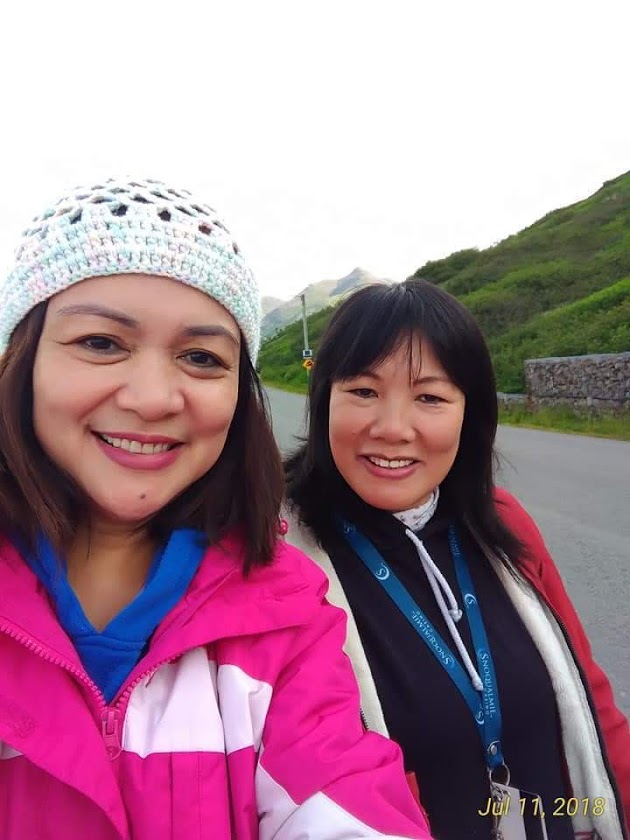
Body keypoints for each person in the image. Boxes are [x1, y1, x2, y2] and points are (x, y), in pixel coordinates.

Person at [0, 179, 434, 840]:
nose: (153, 398)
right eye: (101, 343)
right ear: (22, 361)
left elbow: (343, 797)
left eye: (201, 358)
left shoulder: (285, 614)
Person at [284, 279, 630, 840]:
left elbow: (591, 701)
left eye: (430, 398)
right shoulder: (278, 554)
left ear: (471, 414)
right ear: (324, 399)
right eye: (363, 391)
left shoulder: (502, 521)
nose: (392, 429)